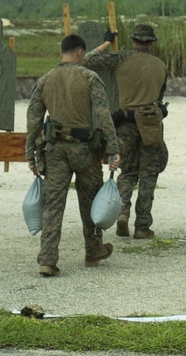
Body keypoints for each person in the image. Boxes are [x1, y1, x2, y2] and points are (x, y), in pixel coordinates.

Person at [25, 34, 121, 277]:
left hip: (54, 151)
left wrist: (30, 155)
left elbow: (33, 120)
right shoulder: (90, 78)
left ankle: (47, 259)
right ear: (80, 53)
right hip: (85, 150)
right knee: (89, 201)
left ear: (62, 52)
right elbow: (103, 114)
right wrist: (113, 149)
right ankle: (93, 250)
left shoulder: (45, 80)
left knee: (53, 205)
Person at [83, 23, 168, 239]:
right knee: (149, 175)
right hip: (151, 125)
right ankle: (142, 226)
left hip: (126, 123)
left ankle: (123, 212)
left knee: (128, 172)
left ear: (133, 40)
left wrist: (106, 42)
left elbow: (88, 60)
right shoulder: (160, 65)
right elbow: (159, 97)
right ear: (151, 42)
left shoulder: (121, 58)